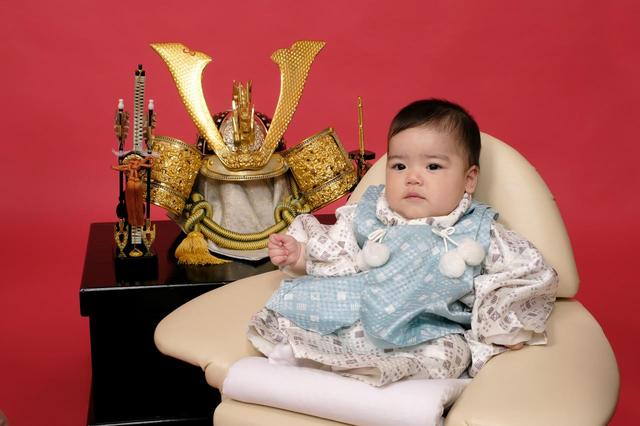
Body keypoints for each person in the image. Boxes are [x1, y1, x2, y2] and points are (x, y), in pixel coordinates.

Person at [248, 99, 558, 386]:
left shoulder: (476, 231)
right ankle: (309, 356)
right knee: (323, 318)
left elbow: (523, 272)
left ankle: (386, 374)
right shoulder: (372, 216)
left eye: (432, 166)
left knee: (452, 354)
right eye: (399, 166)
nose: (412, 177)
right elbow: (337, 251)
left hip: (429, 329)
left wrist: (504, 323)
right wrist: (300, 254)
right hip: (360, 313)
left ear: (469, 179)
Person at [112, 156, 153, 227]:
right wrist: (115, 167)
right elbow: (121, 167)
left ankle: (137, 220)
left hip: (135, 183)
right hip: (132, 183)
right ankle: (130, 220)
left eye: (135, 162)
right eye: (132, 162)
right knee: (131, 200)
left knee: (137, 201)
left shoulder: (137, 165)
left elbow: (148, 165)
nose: (134, 163)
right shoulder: (131, 166)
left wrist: (148, 159)